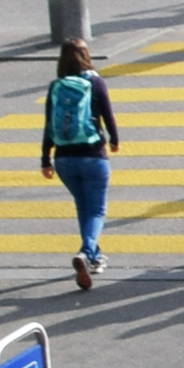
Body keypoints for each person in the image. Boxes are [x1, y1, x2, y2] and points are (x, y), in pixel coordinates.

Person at [37, 38, 119, 289]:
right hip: (93, 155)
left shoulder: (56, 86)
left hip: (64, 159)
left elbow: (49, 125)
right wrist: (114, 140)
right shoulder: (95, 82)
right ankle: (86, 252)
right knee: (96, 211)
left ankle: (93, 257)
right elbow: (107, 115)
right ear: (86, 56)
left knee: (83, 208)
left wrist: (45, 159)